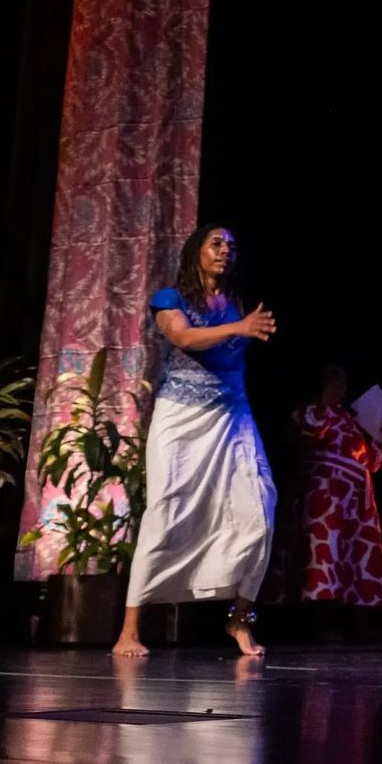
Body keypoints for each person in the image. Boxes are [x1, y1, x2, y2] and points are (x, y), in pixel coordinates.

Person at [113, 225, 278, 658]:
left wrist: (242, 324)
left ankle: (239, 619)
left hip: (232, 418)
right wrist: (239, 328)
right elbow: (183, 337)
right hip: (181, 420)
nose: (225, 251)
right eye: (216, 243)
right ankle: (129, 629)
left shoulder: (239, 306)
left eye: (231, 246)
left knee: (260, 510)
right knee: (166, 512)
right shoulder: (171, 299)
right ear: (196, 252)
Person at [293, 364, 382, 625]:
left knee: (355, 561)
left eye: (343, 383)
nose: (342, 388)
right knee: (326, 558)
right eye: (335, 381)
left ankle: (355, 622)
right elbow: (309, 432)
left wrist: (381, 440)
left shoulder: (350, 419)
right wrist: (324, 402)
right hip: (327, 497)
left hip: (356, 501)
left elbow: (370, 461)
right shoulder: (312, 411)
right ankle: (320, 621)